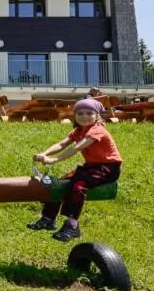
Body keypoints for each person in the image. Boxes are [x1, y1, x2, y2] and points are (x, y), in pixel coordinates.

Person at [27, 98, 123, 241]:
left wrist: (54, 160)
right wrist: (44, 154)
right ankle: (48, 218)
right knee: (61, 183)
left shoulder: (98, 130)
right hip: (91, 167)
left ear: (97, 116)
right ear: (75, 116)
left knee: (78, 187)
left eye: (89, 113)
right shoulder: (78, 130)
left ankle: (72, 225)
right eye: (80, 113)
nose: (84, 116)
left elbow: (77, 147)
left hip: (108, 169)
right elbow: (61, 144)